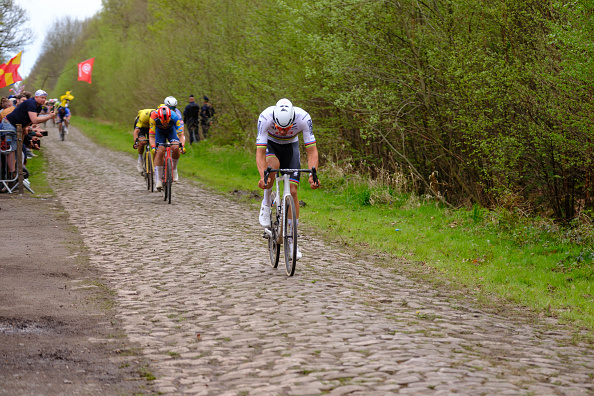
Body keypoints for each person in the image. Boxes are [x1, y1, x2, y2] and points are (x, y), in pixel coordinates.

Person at [256, 98, 320, 260]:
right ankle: (265, 203)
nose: (283, 132)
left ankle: (292, 242)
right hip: (271, 145)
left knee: (293, 191)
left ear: (293, 121)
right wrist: (262, 177)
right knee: (272, 167)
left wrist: (313, 174)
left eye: (287, 128)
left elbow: (312, 151)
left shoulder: (304, 118)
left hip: (291, 147)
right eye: (279, 128)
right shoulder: (265, 118)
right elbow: (260, 153)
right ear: (274, 122)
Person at [1, 90, 55, 176]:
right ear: (36, 97)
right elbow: (34, 120)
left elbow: (30, 121)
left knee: (18, 151)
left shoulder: (38, 106)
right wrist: (49, 116)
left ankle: (15, 175)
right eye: (41, 98)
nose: (43, 100)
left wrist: (31, 133)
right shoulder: (31, 103)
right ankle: (11, 174)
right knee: (11, 149)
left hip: (18, 127)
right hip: (9, 125)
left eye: (44, 98)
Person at [149, 106, 185, 190]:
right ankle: (158, 180)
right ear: (159, 118)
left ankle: (174, 168)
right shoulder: (153, 117)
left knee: (176, 147)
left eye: (166, 121)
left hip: (171, 131)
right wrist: (153, 147)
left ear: (170, 117)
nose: (165, 123)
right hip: (159, 132)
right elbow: (151, 136)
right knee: (160, 151)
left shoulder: (174, 116)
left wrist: (182, 146)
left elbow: (181, 135)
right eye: (163, 121)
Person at [132, 108, 155, 173]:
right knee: (142, 142)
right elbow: (136, 132)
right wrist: (136, 143)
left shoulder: (157, 117)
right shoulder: (143, 117)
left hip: (151, 127)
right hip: (141, 127)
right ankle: (140, 159)